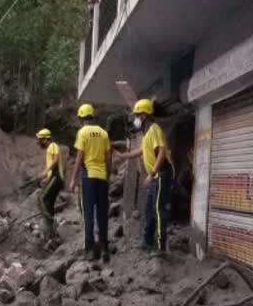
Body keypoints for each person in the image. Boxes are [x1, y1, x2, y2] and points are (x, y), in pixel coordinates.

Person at [116, 98, 173, 255]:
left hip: (161, 173)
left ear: (145, 115)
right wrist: (124, 156)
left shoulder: (154, 129)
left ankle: (161, 247)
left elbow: (161, 152)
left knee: (158, 209)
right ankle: (147, 242)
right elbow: (141, 150)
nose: (136, 119)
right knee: (149, 209)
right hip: (156, 175)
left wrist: (153, 173)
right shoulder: (148, 133)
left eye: (137, 115)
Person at [69, 103, 112, 262]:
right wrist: (107, 176)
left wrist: (73, 179)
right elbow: (109, 157)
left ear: (81, 118)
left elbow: (80, 158)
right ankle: (104, 247)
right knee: (102, 214)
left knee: (88, 215)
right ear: (92, 117)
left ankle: (90, 250)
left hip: (88, 177)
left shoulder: (83, 133)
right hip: (102, 178)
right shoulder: (103, 133)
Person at [36, 128, 63, 240]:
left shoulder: (53, 146)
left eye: (40, 140)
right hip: (54, 178)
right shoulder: (49, 148)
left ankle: (50, 222)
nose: (38, 143)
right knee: (49, 203)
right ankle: (51, 233)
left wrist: (45, 173)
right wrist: (46, 178)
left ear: (46, 139)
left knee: (41, 198)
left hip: (56, 177)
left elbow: (55, 160)